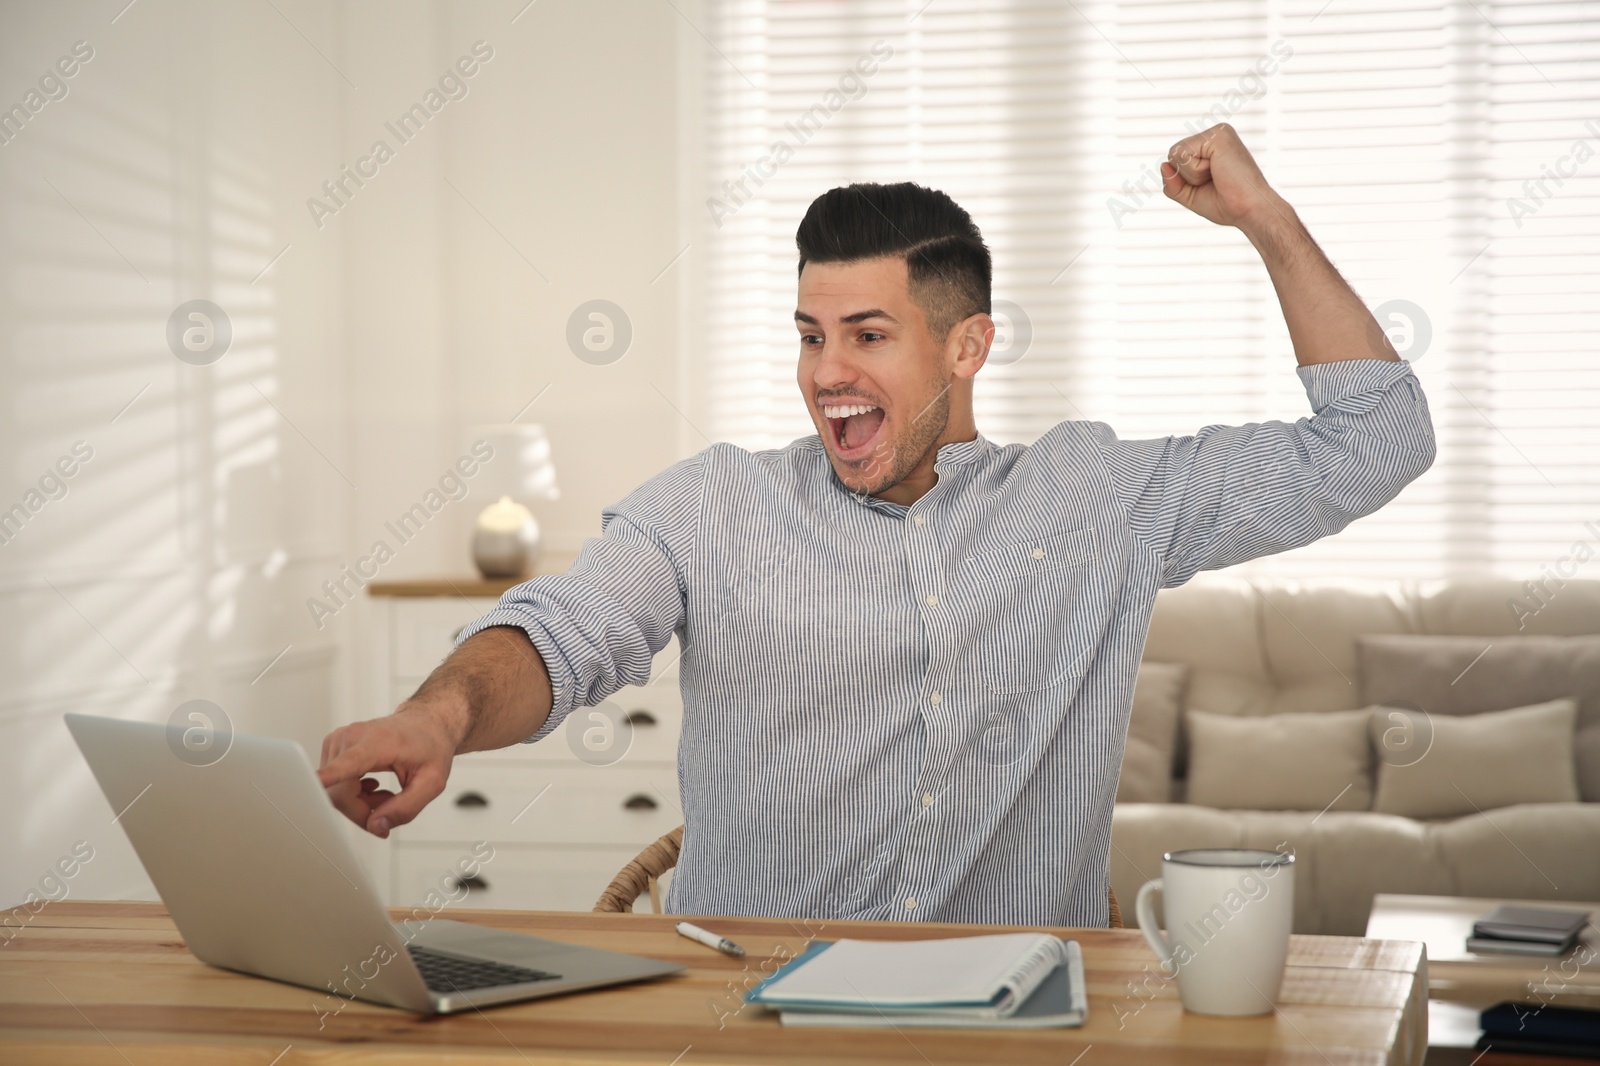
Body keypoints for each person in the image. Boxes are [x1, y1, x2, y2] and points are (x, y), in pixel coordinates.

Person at [319, 124, 1435, 927]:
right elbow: (564, 632)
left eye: (865, 335)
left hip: (1015, 1031)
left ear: (967, 347)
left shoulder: (1098, 499)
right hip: (752, 1027)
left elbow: (1376, 441)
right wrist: (440, 716)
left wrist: (1264, 220)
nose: (827, 374)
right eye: (809, 335)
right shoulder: (716, 505)